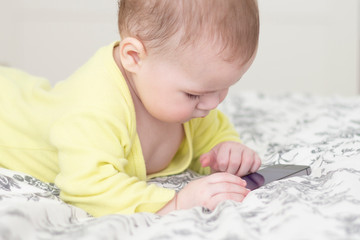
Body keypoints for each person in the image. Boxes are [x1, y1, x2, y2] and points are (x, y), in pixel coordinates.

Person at [0, 0, 261, 217]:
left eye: (225, 87)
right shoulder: (95, 108)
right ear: (133, 57)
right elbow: (89, 186)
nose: (213, 104)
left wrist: (226, 150)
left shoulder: (174, 87)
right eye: (194, 94)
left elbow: (210, 134)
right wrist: (176, 203)